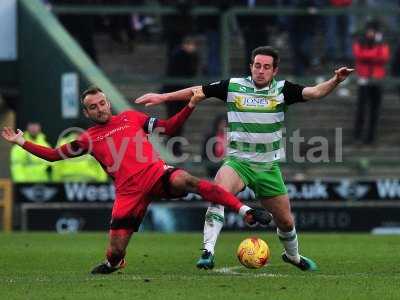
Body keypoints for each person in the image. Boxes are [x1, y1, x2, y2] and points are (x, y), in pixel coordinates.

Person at [1, 86, 272, 275]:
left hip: (156, 175)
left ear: (108, 102)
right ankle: (115, 263)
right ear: (86, 113)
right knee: (114, 252)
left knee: (188, 180)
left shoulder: (131, 118)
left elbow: (169, 128)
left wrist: (190, 104)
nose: (99, 109)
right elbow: (52, 155)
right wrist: (21, 141)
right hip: (128, 194)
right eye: (92, 107)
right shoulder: (88, 138)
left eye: (102, 103)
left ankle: (245, 211)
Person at [135, 45, 354, 271]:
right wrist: (163, 96)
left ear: (274, 71)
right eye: (257, 66)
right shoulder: (234, 86)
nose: (261, 70)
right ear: (251, 66)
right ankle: (207, 252)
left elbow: (316, 92)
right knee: (218, 195)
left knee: (286, 221)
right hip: (238, 164)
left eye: (266, 67)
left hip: (268, 167)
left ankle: (293, 256)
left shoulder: (283, 90)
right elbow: (197, 91)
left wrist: (336, 80)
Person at [352, 20, 390, 145]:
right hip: (364, 78)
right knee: (361, 109)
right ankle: (357, 136)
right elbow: (359, 55)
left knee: (374, 110)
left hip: (377, 79)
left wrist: (369, 55)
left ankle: (370, 137)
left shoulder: (382, 43)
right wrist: (375, 54)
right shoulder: (360, 41)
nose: (371, 33)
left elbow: (384, 57)